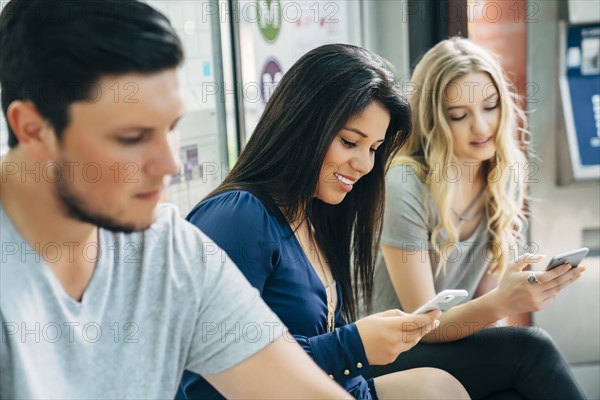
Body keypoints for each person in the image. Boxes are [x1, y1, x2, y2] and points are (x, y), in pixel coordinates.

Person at [0, 1, 355, 398]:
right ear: (32, 130)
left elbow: (296, 389)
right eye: (132, 138)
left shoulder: (167, 246)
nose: (169, 164)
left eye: (171, 127)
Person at [177, 44, 470, 400]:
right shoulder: (239, 217)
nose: (364, 165)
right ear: (303, 126)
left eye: (374, 148)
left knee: (446, 386)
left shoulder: (314, 214)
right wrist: (353, 345)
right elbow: (209, 376)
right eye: (350, 142)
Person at [366, 37, 587, 399]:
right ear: (433, 120)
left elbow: (483, 316)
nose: (481, 127)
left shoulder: (502, 176)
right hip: (388, 351)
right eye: (459, 116)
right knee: (530, 349)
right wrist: (504, 300)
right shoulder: (404, 184)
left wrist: (513, 291)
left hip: (450, 346)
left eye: (490, 106)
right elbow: (422, 324)